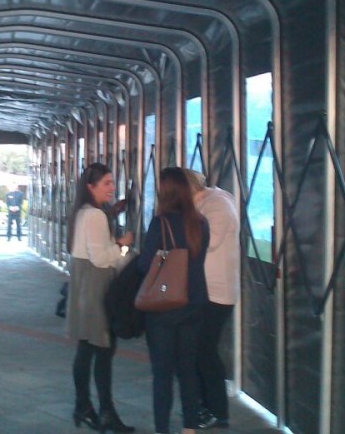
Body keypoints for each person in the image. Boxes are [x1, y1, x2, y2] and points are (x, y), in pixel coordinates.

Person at [137, 167, 209, 434]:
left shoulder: (161, 223)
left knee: (162, 374)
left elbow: (146, 264)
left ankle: (162, 428)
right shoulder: (201, 223)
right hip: (194, 304)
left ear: (166, 192)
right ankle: (190, 427)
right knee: (187, 370)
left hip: (164, 309)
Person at [66, 163, 135, 433]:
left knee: (86, 350)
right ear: (90, 187)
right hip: (96, 287)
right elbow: (101, 258)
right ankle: (105, 412)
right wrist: (122, 244)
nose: (112, 187)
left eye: (111, 182)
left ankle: (84, 407)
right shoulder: (94, 215)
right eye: (106, 183)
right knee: (103, 351)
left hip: (84, 286)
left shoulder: (83, 213)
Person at [185, 170, 240, 430]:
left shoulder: (217, 203)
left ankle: (217, 410)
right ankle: (209, 406)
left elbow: (208, 242)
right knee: (200, 351)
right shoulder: (205, 203)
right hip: (206, 291)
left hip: (216, 293)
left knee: (204, 351)